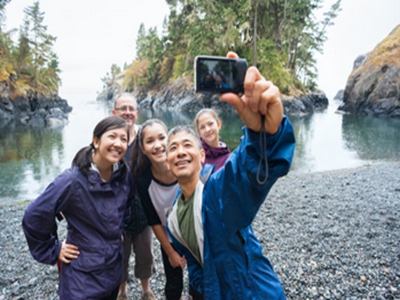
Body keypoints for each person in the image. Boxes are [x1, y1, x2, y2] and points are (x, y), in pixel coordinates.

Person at [166, 52, 296, 299]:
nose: (180, 152)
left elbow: (245, 174)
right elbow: (195, 261)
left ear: (202, 155)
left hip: (254, 292)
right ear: (167, 162)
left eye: (187, 145)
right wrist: (199, 288)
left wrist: (264, 136)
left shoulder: (216, 189)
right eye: (173, 148)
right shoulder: (172, 218)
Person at [22, 116, 134, 300]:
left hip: (113, 269)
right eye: (112, 136)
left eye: (124, 139)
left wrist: (120, 229)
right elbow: (34, 214)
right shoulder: (72, 180)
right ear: (96, 141)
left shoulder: (123, 174)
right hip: (82, 279)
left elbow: (128, 204)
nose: (118, 143)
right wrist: (54, 248)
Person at [131, 119, 186, 300]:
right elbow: (153, 219)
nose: (157, 145)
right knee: (173, 284)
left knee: (203, 281)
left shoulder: (184, 166)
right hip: (170, 238)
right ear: (143, 148)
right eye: (150, 141)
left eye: (162, 138)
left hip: (198, 235)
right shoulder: (143, 180)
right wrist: (170, 252)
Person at [111, 93, 156, 300]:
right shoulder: (110, 140)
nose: (127, 112)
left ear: (137, 113)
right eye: (123, 108)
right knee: (121, 254)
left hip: (145, 208)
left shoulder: (143, 138)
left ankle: (146, 290)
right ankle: (122, 292)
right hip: (118, 212)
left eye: (131, 109)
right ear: (114, 112)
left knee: (145, 252)